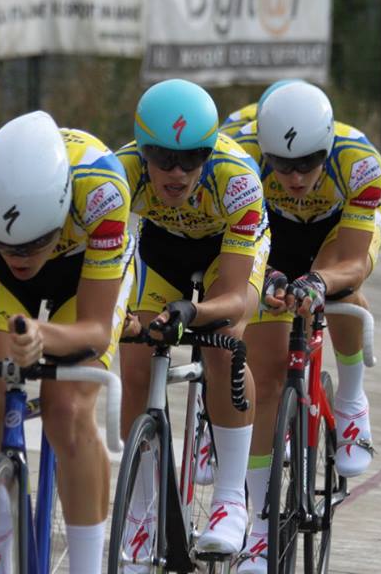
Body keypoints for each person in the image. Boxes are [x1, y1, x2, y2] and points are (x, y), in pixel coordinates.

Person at [0, 110, 134, 573]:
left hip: (83, 272)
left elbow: (95, 331)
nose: (18, 257)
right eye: (2, 243)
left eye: (32, 245)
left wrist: (43, 334)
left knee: (68, 408)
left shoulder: (102, 189)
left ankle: (87, 566)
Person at [221, 79, 381, 572]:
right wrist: (267, 275)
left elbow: (353, 263)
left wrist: (320, 280)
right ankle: (260, 527)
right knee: (268, 376)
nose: (295, 176)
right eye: (282, 164)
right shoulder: (240, 157)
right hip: (271, 230)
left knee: (339, 292)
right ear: (264, 150)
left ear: (328, 147)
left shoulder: (359, 162)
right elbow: (233, 243)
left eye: (309, 162)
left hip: (336, 234)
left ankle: (351, 400)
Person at [116, 78, 269, 563]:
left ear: (209, 153)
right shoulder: (120, 173)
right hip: (163, 249)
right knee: (134, 356)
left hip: (227, 249)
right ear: (142, 151)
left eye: (192, 158)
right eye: (163, 158)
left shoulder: (236, 178)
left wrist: (194, 312)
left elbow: (236, 300)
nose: (177, 172)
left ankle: (230, 501)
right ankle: (140, 515)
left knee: (223, 341)